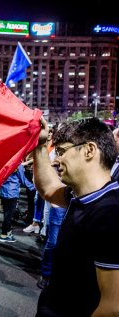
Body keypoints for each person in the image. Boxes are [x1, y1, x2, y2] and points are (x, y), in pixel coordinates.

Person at [33, 117, 119, 316]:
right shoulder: (83, 195)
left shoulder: (111, 212)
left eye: (62, 152)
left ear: (89, 150)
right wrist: (39, 145)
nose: (55, 160)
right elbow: (48, 188)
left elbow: (112, 308)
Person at [0, 163, 35, 243]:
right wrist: (34, 188)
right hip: (12, 193)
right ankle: (4, 235)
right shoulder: (17, 165)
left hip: (3, 192)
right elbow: (23, 180)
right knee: (8, 216)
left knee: (6, 214)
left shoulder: (5, 162)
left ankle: (7, 234)